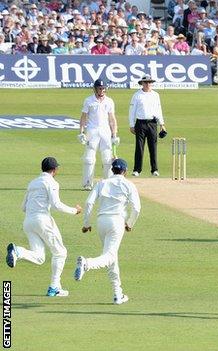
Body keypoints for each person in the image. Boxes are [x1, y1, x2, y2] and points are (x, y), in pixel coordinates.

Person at [5, 157, 82, 297]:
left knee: (40, 258)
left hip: (28, 222)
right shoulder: (52, 182)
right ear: (54, 169)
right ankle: (54, 287)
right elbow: (56, 205)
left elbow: (23, 207)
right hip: (43, 221)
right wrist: (74, 210)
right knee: (60, 252)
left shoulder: (33, 182)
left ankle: (18, 252)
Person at [74, 158, 141, 305]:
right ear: (125, 171)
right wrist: (130, 223)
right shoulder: (128, 184)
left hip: (101, 222)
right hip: (117, 222)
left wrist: (86, 223)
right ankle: (87, 264)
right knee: (109, 256)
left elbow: (89, 202)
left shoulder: (102, 183)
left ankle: (118, 294)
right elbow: (136, 208)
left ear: (112, 169)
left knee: (112, 256)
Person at [78, 79, 119, 191]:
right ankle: (87, 183)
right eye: (100, 88)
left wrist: (114, 134)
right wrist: (81, 132)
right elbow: (83, 117)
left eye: (104, 89)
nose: (102, 91)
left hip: (106, 132)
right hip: (92, 131)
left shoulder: (109, 101)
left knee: (107, 159)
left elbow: (112, 119)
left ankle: (107, 183)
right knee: (89, 159)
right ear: (95, 89)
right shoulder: (88, 100)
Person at [128, 75, 166, 177]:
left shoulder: (155, 95)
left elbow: (159, 110)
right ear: (142, 83)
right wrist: (131, 125)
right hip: (140, 123)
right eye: (146, 82)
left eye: (150, 82)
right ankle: (137, 170)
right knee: (139, 147)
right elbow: (132, 111)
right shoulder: (137, 95)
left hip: (152, 123)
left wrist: (162, 124)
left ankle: (154, 169)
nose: (148, 84)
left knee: (153, 147)